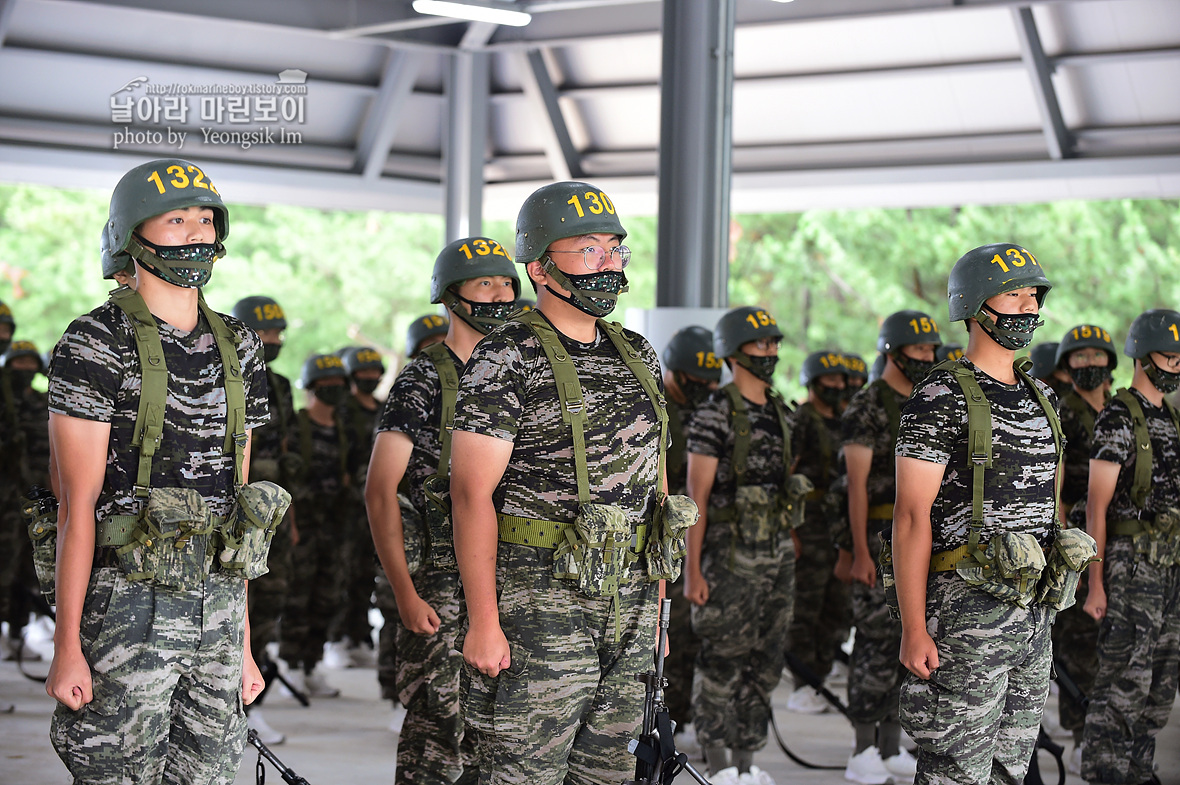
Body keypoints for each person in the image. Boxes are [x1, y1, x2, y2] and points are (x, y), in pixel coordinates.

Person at [46, 158, 274, 783]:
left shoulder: (240, 345)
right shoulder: (95, 341)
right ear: (131, 235)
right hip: (128, 605)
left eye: (206, 218)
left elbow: (241, 514)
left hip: (219, 607)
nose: (196, 232)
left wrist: (244, 645)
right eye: (176, 219)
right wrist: (68, 649)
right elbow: (76, 507)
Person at [451, 181, 685, 785]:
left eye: (614, 249)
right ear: (540, 266)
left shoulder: (635, 352)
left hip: (632, 594)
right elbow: (471, 494)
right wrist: (483, 620)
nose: (607, 264)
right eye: (588, 250)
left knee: (608, 767)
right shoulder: (507, 355)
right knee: (522, 768)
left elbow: (654, 478)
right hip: (541, 597)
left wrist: (657, 609)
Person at [893, 242, 1074, 783]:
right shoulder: (939, 394)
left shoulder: (1042, 395)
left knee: (1009, 770)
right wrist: (912, 627)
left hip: (1033, 613)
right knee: (955, 769)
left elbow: (1050, 503)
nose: (1028, 306)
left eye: (1033, 295)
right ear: (974, 305)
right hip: (965, 613)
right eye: (1012, 294)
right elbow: (909, 518)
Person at [367, 235, 518, 784]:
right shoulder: (424, 377)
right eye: (486, 284)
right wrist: (405, 594)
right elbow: (381, 490)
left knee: (500, 731)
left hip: (513, 576)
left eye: (507, 282)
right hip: (439, 579)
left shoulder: (520, 371)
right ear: (450, 296)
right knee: (438, 728)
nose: (501, 295)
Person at [684, 305, 799, 785]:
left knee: (765, 663)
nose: (770, 352)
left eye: (774, 343)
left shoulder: (781, 411)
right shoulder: (713, 413)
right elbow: (696, 497)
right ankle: (718, 765)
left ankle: (748, 766)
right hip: (728, 560)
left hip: (777, 559)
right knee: (722, 663)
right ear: (733, 352)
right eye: (760, 344)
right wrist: (692, 571)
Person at [1080, 309, 1180, 785]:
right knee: (1124, 679)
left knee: (1161, 683)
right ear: (1141, 354)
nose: (1176, 366)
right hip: (1130, 566)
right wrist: (1094, 583)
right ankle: (1105, 773)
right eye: (1169, 356)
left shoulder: (1174, 418)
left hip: (1170, 567)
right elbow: (1095, 508)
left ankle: (1138, 771)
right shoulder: (1118, 416)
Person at [843, 310, 940, 783]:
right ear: (892, 351)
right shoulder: (868, 405)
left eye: (929, 350)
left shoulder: (928, 400)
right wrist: (859, 550)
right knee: (875, 645)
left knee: (907, 645)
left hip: (914, 541)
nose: (926, 357)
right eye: (918, 350)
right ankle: (862, 749)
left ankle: (889, 744)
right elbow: (855, 488)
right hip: (879, 537)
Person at [231, 294, 298, 745]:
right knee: (237, 607)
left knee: (270, 607)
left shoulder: (283, 386)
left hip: (275, 512)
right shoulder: (228, 375)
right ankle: (229, 706)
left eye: (278, 334)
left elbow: (288, 455)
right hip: (237, 510)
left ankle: (254, 702)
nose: (273, 340)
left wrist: (293, 519)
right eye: (265, 333)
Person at [1050, 324, 1116, 771]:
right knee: (1077, 640)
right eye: (1080, 357)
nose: (1089, 364)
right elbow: (1054, 482)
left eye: (1097, 356)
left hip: (1122, 537)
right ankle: (1078, 732)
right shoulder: (1061, 409)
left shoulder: (1123, 409)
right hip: (1076, 535)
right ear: (1066, 365)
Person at [280, 353, 358, 699]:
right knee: (298, 597)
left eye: (339, 384)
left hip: (334, 527)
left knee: (327, 597)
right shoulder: (296, 428)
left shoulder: (344, 430)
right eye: (326, 385)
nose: (334, 391)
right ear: (311, 388)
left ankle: (311, 665)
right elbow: (288, 483)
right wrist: (292, 528)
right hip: (305, 528)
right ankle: (291, 665)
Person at [659, 325, 722, 741]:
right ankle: (668, 719)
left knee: (700, 637)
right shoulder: (652, 405)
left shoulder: (712, 410)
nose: (704, 389)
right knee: (669, 636)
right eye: (695, 382)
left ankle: (686, 718)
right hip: (662, 537)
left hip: (705, 535)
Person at [785, 350, 851, 716]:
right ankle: (801, 683)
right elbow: (787, 474)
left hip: (835, 525)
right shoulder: (801, 420)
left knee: (835, 608)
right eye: (830, 380)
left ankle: (819, 677)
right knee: (805, 609)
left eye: (840, 381)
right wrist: (791, 529)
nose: (837, 386)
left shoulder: (843, 421)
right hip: (808, 523)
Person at [330, 345, 387, 666]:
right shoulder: (343, 410)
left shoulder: (383, 408)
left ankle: (360, 635)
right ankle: (338, 638)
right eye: (363, 372)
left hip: (376, 502)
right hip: (345, 504)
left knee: (367, 571)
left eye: (374, 372)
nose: (370, 377)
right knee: (344, 571)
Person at [0, 340, 50, 661]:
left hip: (36, 500)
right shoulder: (5, 404)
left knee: (29, 567)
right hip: (5, 498)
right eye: (18, 364)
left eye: (30, 365)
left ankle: (18, 633)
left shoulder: (44, 403)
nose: (25, 370)